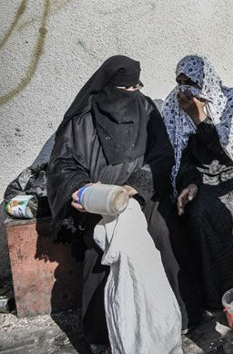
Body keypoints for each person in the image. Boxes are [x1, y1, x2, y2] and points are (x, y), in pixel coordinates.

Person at [46, 56, 201, 351]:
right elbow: (63, 165)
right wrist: (82, 190)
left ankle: (176, 317)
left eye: (135, 86)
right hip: (101, 200)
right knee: (103, 244)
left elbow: (161, 155)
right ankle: (103, 333)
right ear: (107, 87)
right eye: (125, 87)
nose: (132, 92)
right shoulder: (81, 121)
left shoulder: (144, 107)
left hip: (142, 193)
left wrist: (136, 184)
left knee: (161, 231)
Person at [161, 55, 233, 310]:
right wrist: (189, 183)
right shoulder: (173, 107)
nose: (184, 89)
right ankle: (219, 296)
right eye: (179, 82)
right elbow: (179, 157)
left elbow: (229, 152)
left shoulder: (228, 99)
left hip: (230, 172)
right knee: (203, 214)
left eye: (190, 82)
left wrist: (201, 119)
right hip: (198, 176)